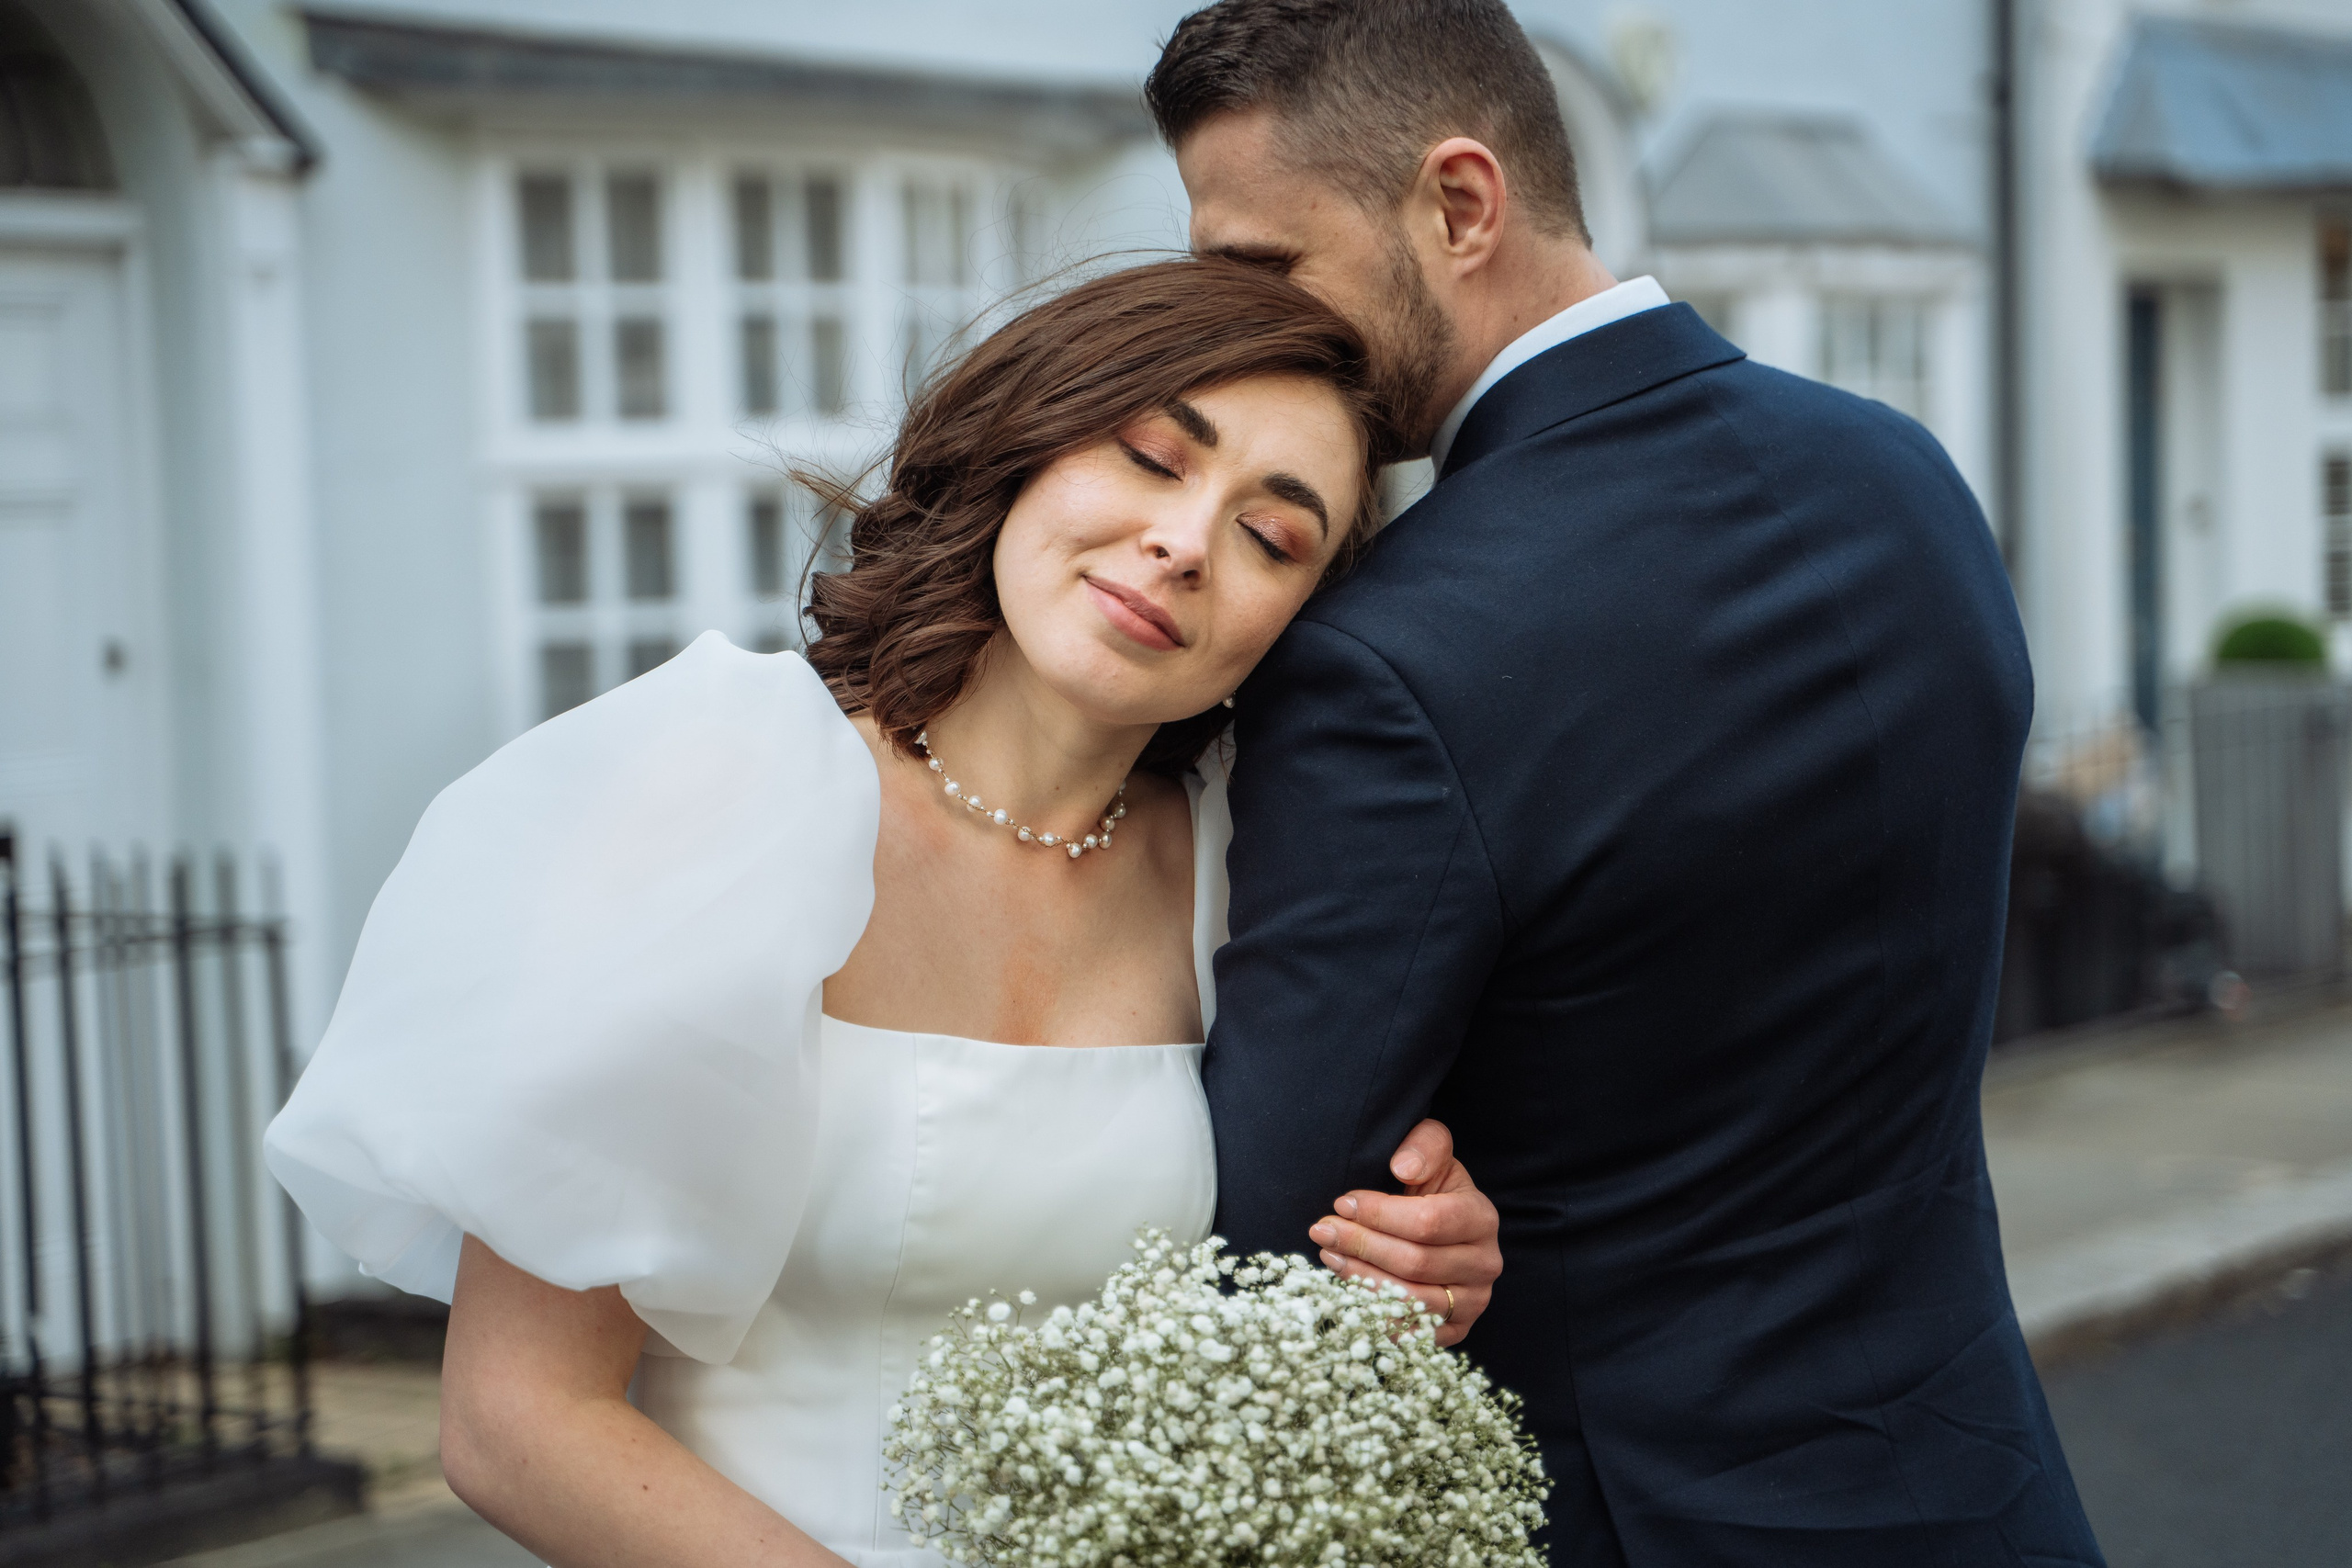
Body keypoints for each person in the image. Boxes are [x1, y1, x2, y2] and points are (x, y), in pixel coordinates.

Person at [263, 258, 1504, 1568]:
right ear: (1026, 445)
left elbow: (1290, 1265)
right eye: (1151, 457)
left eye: (1272, 537)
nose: (1186, 545)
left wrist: (1422, 1261)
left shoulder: (1258, 871)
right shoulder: (721, 794)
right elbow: (516, 1423)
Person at [1147, 3, 2107, 1564]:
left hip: (1651, 1521)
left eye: (1265, 268)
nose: (1241, 325)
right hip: (1983, 1484)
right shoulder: (1904, 479)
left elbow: (1271, 1216)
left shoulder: (1387, 658)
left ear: (1461, 205)